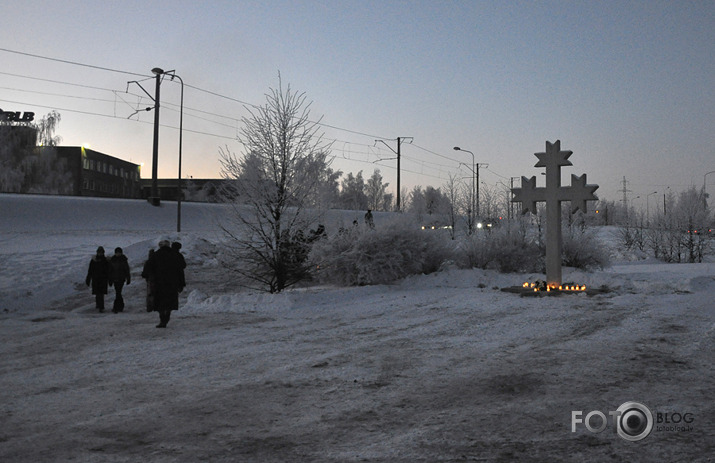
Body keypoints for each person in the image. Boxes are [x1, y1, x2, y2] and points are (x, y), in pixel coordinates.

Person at [144, 240, 185, 328]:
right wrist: (181, 283)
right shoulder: (175, 255)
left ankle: (162, 318)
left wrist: (147, 277)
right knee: (170, 302)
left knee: (160, 302)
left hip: (159, 283)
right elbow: (181, 268)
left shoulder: (155, 255)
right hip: (172, 283)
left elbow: (147, 267)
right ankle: (167, 316)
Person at [85, 246, 110, 312]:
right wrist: (88, 278)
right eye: (99, 252)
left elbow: (109, 270)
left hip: (103, 279)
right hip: (95, 279)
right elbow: (90, 270)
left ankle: (101, 306)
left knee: (101, 293)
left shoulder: (105, 261)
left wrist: (109, 279)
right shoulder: (93, 261)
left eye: (101, 252)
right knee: (97, 293)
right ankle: (98, 304)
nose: (100, 254)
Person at [109, 247, 131, 313]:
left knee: (118, 293)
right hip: (115, 278)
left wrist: (128, 278)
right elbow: (110, 270)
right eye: (117, 253)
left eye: (119, 252)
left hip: (121, 278)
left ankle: (116, 307)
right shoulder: (113, 260)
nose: (118, 254)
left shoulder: (123, 259)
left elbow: (127, 269)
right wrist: (110, 279)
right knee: (118, 293)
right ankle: (120, 306)